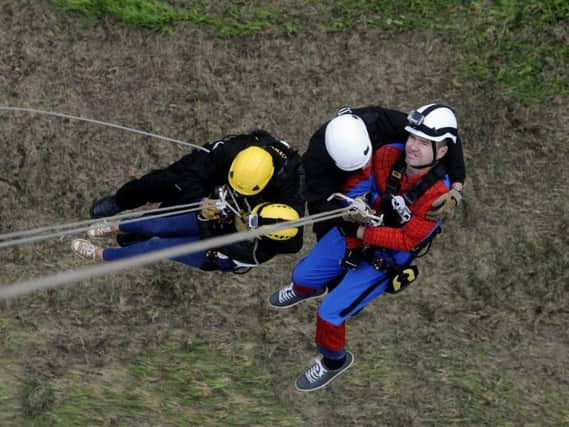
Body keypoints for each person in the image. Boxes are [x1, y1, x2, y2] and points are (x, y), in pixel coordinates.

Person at [268, 103, 459, 392]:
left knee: (329, 314)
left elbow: (408, 240)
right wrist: (351, 204)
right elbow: (361, 181)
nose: (413, 147)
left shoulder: (438, 198)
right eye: (412, 137)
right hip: (361, 226)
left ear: (442, 152)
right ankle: (309, 288)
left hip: (386, 256)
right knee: (302, 276)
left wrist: (363, 230)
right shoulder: (387, 155)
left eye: (424, 142)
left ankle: (335, 360)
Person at [72, 130, 305, 272]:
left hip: (213, 246)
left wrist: (205, 216)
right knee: (159, 224)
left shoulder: (254, 250)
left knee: (157, 246)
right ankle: (114, 227)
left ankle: (102, 255)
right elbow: (199, 168)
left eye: (250, 221)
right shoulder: (242, 150)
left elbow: (210, 242)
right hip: (220, 217)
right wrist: (207, 201)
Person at [302, 105, 466, 239]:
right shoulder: (316, 164)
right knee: (328, 237)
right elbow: (319, 206)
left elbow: (445, 135)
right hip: (339, 192)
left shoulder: (378, 122)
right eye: (358, 167)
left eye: (365, 162)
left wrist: (457, 187)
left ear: (367, 138)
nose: (364, 169)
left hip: (379, 178)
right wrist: (347, 218)